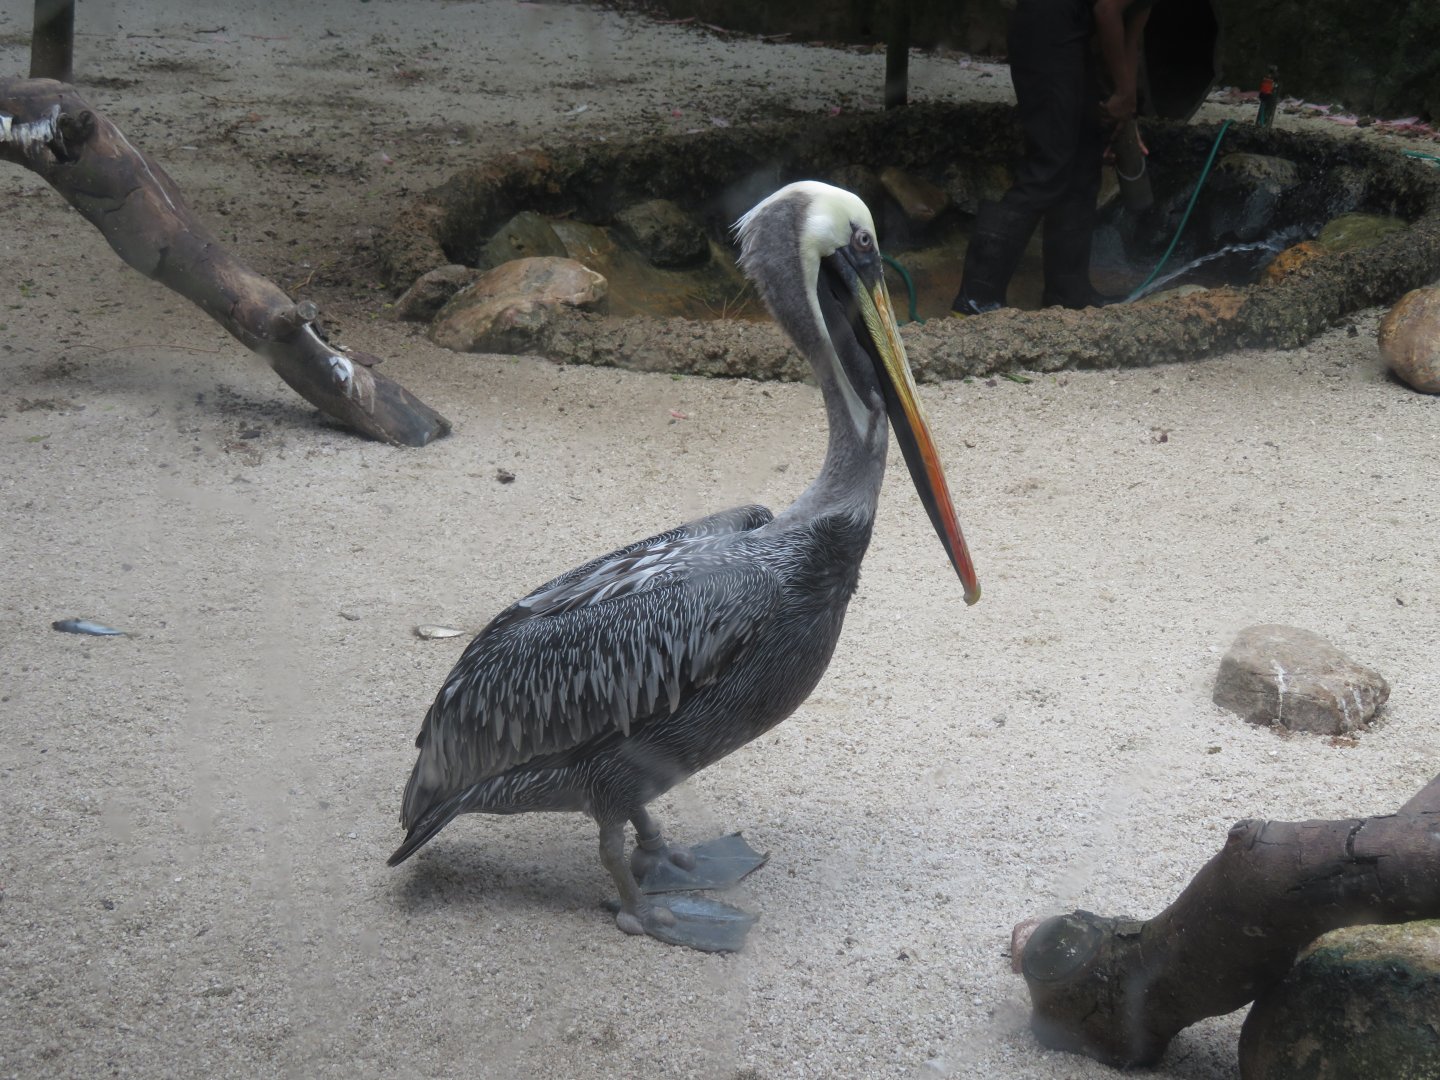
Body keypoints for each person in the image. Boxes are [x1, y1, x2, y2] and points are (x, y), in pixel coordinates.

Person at [952, 0, 1155, 314]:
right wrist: (1124, 93)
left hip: (1072, 37)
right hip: (1045, 27)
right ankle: (977, 296)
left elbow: (1130, 38)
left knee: (1084, 158)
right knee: (1050, 165)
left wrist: (1127, 110)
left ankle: (1068, 290)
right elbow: (1106, 10)